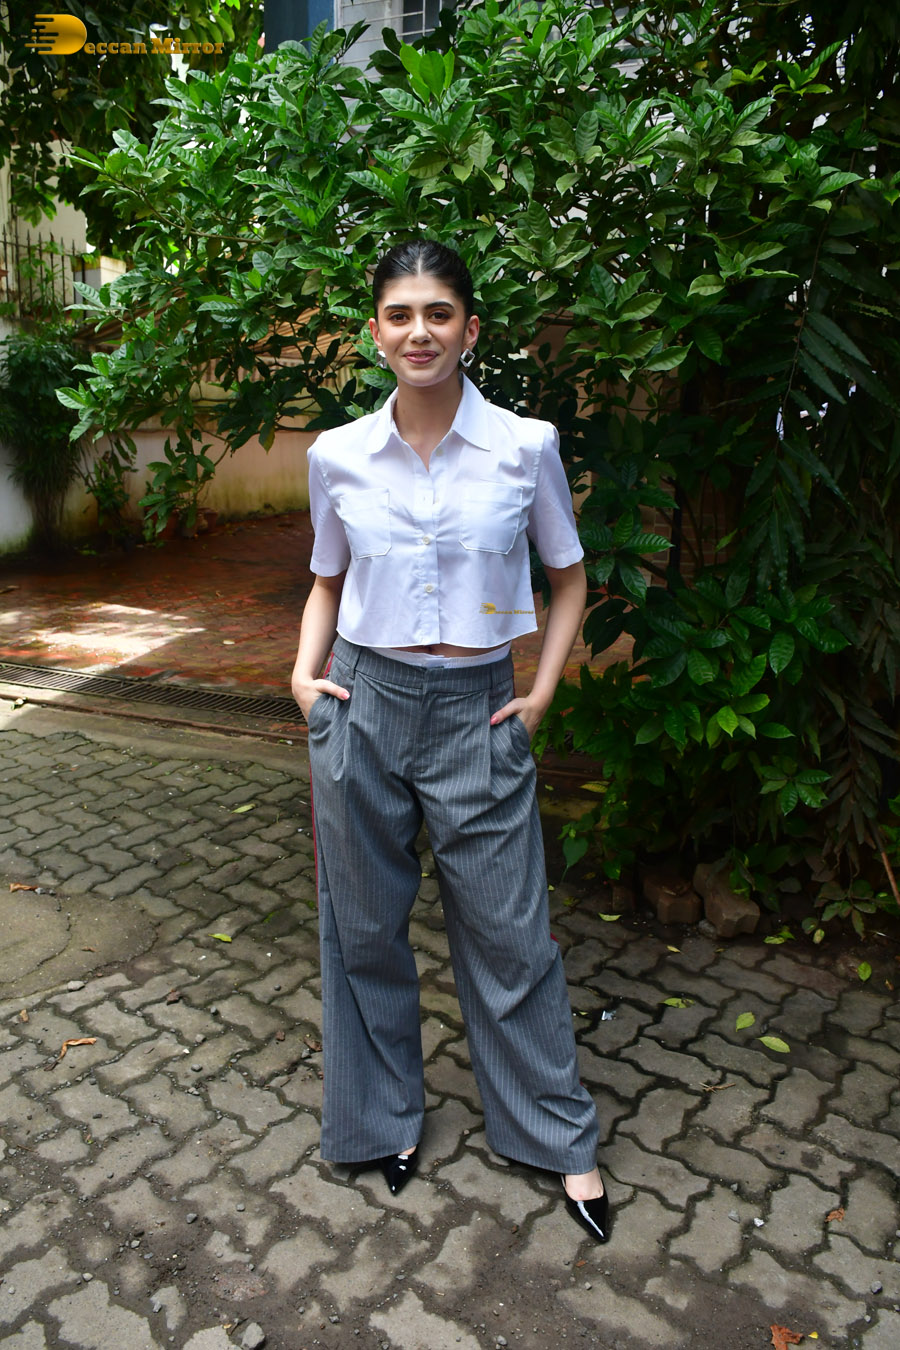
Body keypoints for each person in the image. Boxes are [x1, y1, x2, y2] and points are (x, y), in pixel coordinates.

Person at [290, 239, 609, 1243]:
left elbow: (568, 578)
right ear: (375, 332)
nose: (418, 331)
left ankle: (554, 1133)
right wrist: (302, 677)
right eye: (400, 314)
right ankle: (380, 1120)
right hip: (363, 702)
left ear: (470, 328)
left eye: (438, 313)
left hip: (480, 709)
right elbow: (328, 581)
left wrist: (542, 689)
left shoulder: (525, 446)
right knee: (363, 928)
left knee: (512, 933)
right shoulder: (337, 454)